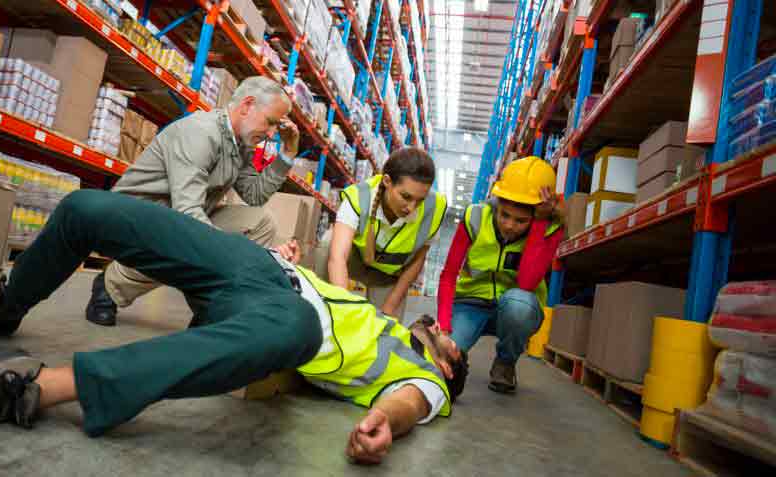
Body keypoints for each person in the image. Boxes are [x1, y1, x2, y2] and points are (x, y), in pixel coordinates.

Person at [0, 189, 468, 465]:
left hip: (284, 322)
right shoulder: (383, 317)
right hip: (261, 270)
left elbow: (409, 404)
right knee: (88, 210)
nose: (443, 329)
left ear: (448, 365)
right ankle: (3, 312)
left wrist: (382, 425)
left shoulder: (423, 377)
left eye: (450, 342)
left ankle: (24, 390)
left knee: (288, 330)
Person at [77, 76, 299, 329]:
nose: (272, 134)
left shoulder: (241, 144)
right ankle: (111, 285)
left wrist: (288, 154)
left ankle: (216, 305)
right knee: (195, 242)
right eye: (270, 123)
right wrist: (238, 253)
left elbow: (255, 196)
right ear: (247, 105)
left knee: (261, 222)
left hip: (180, 216)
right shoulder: (201, 133)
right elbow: (187, 213)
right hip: (134, 219)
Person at [436, 156, 564, 394]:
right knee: (448, 355)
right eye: (504, 215)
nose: (509, 226)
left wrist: (539, 225)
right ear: (497, 202)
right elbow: (448, 275)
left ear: (537, 214)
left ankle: (505, 362)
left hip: (516, 308)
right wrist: (444, 328)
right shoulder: (475, 217)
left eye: (521, 220)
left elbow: (526, 282)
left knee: (518, 305)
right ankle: (459, 347)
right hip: (470, 304)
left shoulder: (550, 228)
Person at [318, 147, 447, 318]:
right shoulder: (359, 197)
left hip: (389, 277)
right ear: (387, 181)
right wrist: (343, 308)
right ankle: (320, 308)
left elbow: (417, 262)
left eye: (420, 200)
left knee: (385, 332)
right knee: (328, 242)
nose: (411, 207)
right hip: (355, 262)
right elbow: (337, 258)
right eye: (406, 197)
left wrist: (388, 310)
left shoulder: (434, 209)